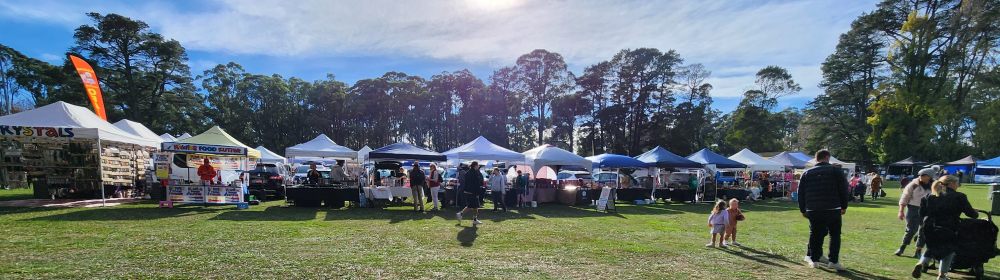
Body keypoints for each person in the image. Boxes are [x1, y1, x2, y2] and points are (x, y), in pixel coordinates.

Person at [910, 175, 978, 279]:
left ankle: (921, 263)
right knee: (949, 250)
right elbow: (971, 214)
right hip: (949, 227)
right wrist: (975, 212)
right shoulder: (959, 196)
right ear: (951, 184)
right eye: (957, 183)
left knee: (932, 247)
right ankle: (942, 275)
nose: (958, 186)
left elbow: (922, 213)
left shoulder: (929, 196)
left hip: (929, 227)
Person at [798, 150, 849, 271]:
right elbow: (843, 189)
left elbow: (801, 193)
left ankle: (814, 260)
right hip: (833, 207)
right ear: (827, 157)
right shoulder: (836, 171)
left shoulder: (806, 173)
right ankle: (833, 261)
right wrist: (844, 206)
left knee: (815, 234)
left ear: (816, 159)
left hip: (813, 208)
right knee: (834, 235)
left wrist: (803, 209)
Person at [896, 168, 936, 258]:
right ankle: (902, 248)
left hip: (927, 210)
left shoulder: (934, 185)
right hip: (913, 208)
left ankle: (918, 251)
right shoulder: (913, 185)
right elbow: (905, 197)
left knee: (923, 230)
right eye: (920, 175)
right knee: (911, 229)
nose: (921, 177)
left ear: (929, 177)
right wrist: (901, 211)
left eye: (924, 175)